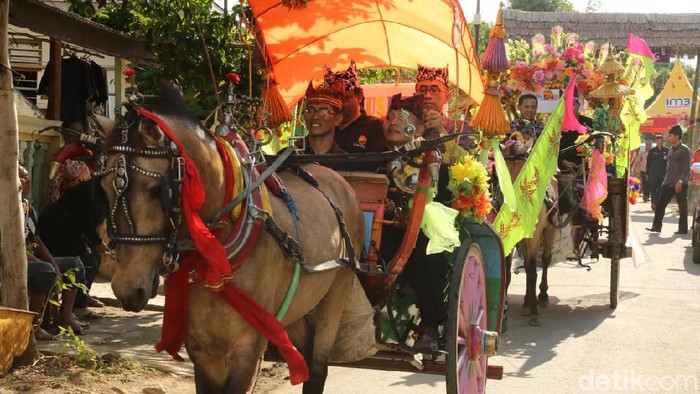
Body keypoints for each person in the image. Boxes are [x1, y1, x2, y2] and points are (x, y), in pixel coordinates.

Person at [20, 164, 89, 335]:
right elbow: (11, 248)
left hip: (29, 257)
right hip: (11, 261)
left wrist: (51, 260)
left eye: (28, 177)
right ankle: (34, 327)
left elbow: (36, 239)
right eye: (22, 177)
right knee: (45, 271)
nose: (27, 181)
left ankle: (64, 319)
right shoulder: (5, 206)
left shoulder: (27, 206)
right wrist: (47, 264)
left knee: (73, 263)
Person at [37, 180, 109, 320]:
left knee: (94, 259)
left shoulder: (101, 190)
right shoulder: (92, 190)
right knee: (86, 262)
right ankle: (76, 307)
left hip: (75, 229)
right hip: (59, 227)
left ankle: (81, 298)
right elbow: (84, 218)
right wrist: (97, 242)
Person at [324, 60, 387, 153]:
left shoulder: (376, 127)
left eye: (345, 98)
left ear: (359, 97)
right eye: (333, 99)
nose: (339, 104)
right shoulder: (324, 127)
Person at [415, 64, 475, 149]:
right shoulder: (404, 125)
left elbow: (464, 159)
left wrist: (441, 130)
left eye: (435, 90)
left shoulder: (460, 128)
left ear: (447, 97)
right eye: (423, 90)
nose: (427, 95)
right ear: (415, 95)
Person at [647, 125, 690, 234]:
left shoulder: (684, 150)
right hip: (668, 182)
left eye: (670, 136)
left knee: (682, 207)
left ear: (677, 136)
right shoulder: (670, 150)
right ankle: (656, 226)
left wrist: (680, 181)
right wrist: (665, 181)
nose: (668, 138)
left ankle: (682, 229)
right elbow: (668, 167)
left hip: (680, 183)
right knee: (660, 204)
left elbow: (686, 168)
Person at [300, 81, 347, 154]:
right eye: (310, 110)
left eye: (324, 111)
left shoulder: (345, 161)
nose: (315, 117)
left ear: (338, 119)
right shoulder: (288, 158)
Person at [646, 134, 669, 209]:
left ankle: (658, 204)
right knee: (653, 189)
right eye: (658, 141)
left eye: (661, 141)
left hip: (663, 174)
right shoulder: (652, 151)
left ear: (663, 141)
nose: (660, 142)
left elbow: (669, 163)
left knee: (660, 190)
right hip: (653, 174)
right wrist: (647, 174)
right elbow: (648, 163)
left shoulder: (667, 151)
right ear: (656, 141)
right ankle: (653, 203)